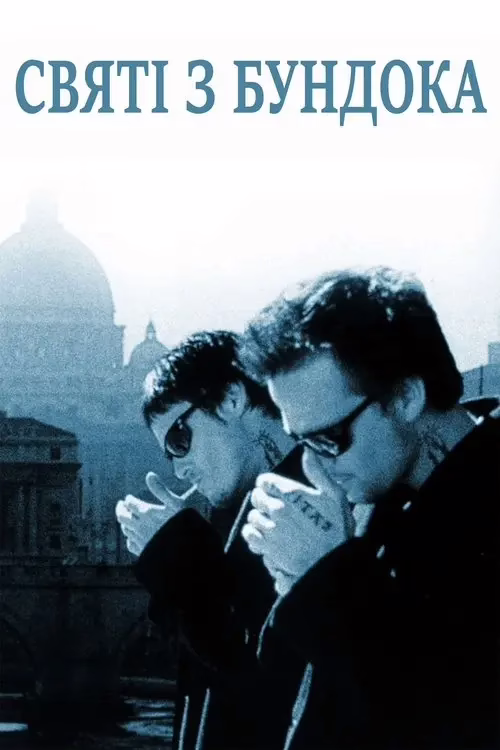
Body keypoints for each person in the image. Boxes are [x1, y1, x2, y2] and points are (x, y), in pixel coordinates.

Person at [239, 267, 499, 750]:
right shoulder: (376, 504)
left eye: (329, 438)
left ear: (406, 397)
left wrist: (329, 583)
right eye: (301, 442)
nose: (313, 465)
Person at [116, 330, 304, 750]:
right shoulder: (240, 514)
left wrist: (178, 556)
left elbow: (260, 682)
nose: (179, 470)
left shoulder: (311, 506)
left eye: (179, 439)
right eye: (169, 454)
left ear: (231, 399)